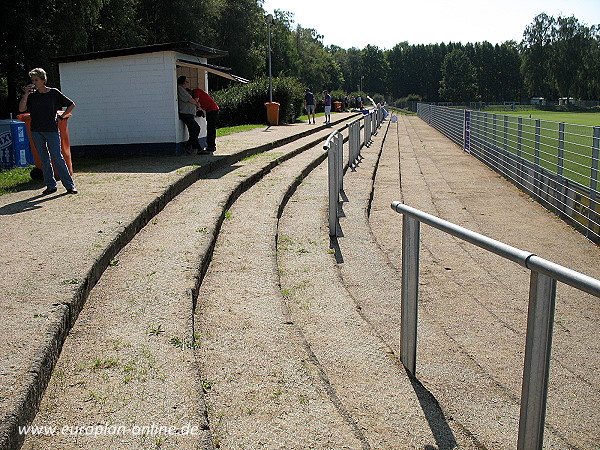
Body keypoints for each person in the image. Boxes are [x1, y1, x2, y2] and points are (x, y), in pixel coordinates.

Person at [19, 68, 77, 195]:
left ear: (43, 80)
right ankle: (51, 185)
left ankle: (69, 185)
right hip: (36, 131)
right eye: (32, 80)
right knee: (44, 159)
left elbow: (71, 104)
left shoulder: (53, 93)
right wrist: (26, 94)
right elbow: (22, 109)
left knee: (57, 157)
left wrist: (61, 117)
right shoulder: (32, 96)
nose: (34, 82)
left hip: (51, 130)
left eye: (36, 80)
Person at [177, 76, 206, 154]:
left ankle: (197, 148)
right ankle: (189, 144)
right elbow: (189, 99)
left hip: (189, 113)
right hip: (185, 113)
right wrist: (197, 104)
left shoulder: (184, 90)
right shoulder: (180, 89)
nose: (187, 83)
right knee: (196, 128)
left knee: (193, 130)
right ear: (183, 82)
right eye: (187, 82)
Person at [192, 87, 219, 153]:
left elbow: (196, 100)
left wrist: (195, 104)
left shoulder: (196, 91)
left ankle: (211, 146)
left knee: (211, 128)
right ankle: (211, 145)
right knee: (210, 128)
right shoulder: (198, 92)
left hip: (212, 110)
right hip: (210, 110)